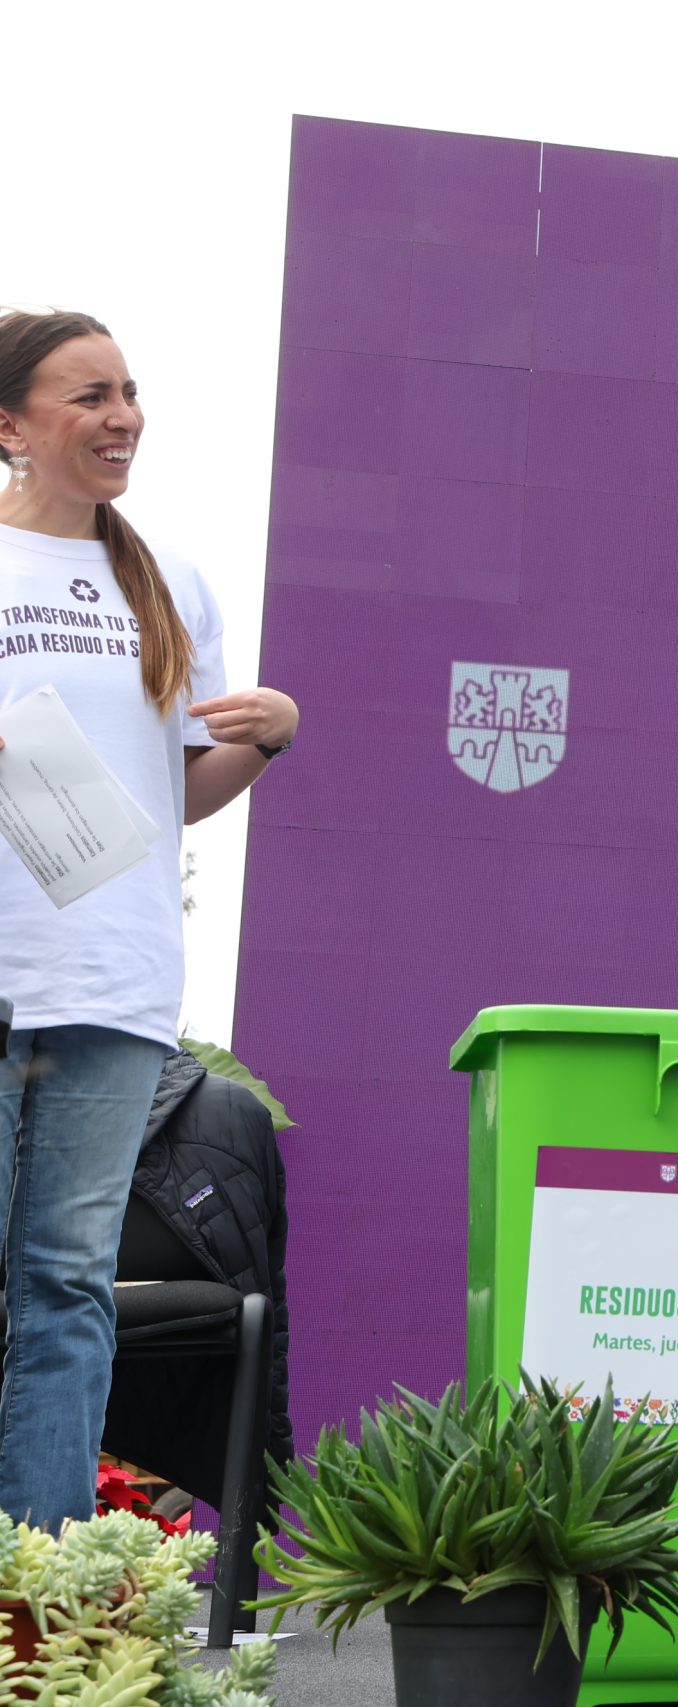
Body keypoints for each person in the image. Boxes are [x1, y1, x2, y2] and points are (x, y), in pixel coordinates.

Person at [0, 309, 299, 1530]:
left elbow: (177, 797)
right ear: (11, 426)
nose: (122, 416)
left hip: (112, 980)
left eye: (129, 392)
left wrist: (267, 745)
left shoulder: (167, 578)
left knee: (67, 1288)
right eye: (89, 396)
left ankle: (37, 1579)